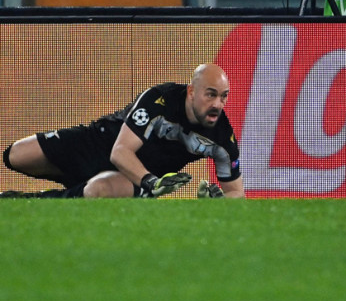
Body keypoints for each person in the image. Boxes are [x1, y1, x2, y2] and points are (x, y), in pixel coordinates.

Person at [1, 63, 244, 199]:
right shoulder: (160, 100)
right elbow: (120, 152)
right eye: (210, 94)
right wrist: (152, 182)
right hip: (99, 143)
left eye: (223, 97)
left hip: (133, 177)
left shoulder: (222, 136)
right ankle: (78, 185)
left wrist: (219, 201)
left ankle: (28, 201)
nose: (217, 105)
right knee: (15, 155)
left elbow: (236, 193)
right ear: (191, 91)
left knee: (100, 190)